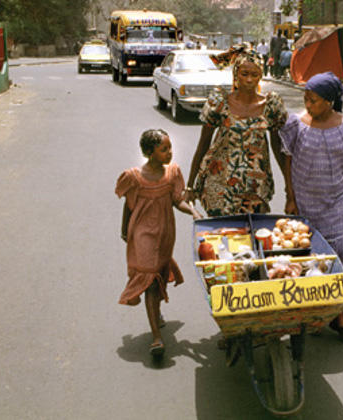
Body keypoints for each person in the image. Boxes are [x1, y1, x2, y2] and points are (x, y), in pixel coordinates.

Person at [279, 72, 343, 344]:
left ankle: (339, 317)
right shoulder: (296, 125)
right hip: (307, 201)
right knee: (312, 258)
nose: (308, 104)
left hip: (341, 201)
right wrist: (290, 196)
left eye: (314, 100)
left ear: (330, 102)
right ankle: (313, 311)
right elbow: (288, 163)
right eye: (306, 99)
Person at [116, 129, 202, 357]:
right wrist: (125, 230)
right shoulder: (134, 177)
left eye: (170, 147)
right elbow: (129, 204)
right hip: (142, 234)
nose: (169, 153)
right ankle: (156, 338)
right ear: (148, 152)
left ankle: (156, 314)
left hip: (165, 235)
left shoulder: (172, 173)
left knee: (159, 273)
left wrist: (193, 211)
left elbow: (177, 201)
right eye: (164, 149)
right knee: (150, 278)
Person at [185, 43, 289, 216]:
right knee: (221, 237)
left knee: (252, 237)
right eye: (244, 74)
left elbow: (278, 148)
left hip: (255, 187)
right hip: (219, 185)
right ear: (235, 75)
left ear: (260, 76)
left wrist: (290, 189)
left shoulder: (271, 105)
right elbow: (203, 144)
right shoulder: (220, 102)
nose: (249, 80)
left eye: (254, 75)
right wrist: (190, 185)